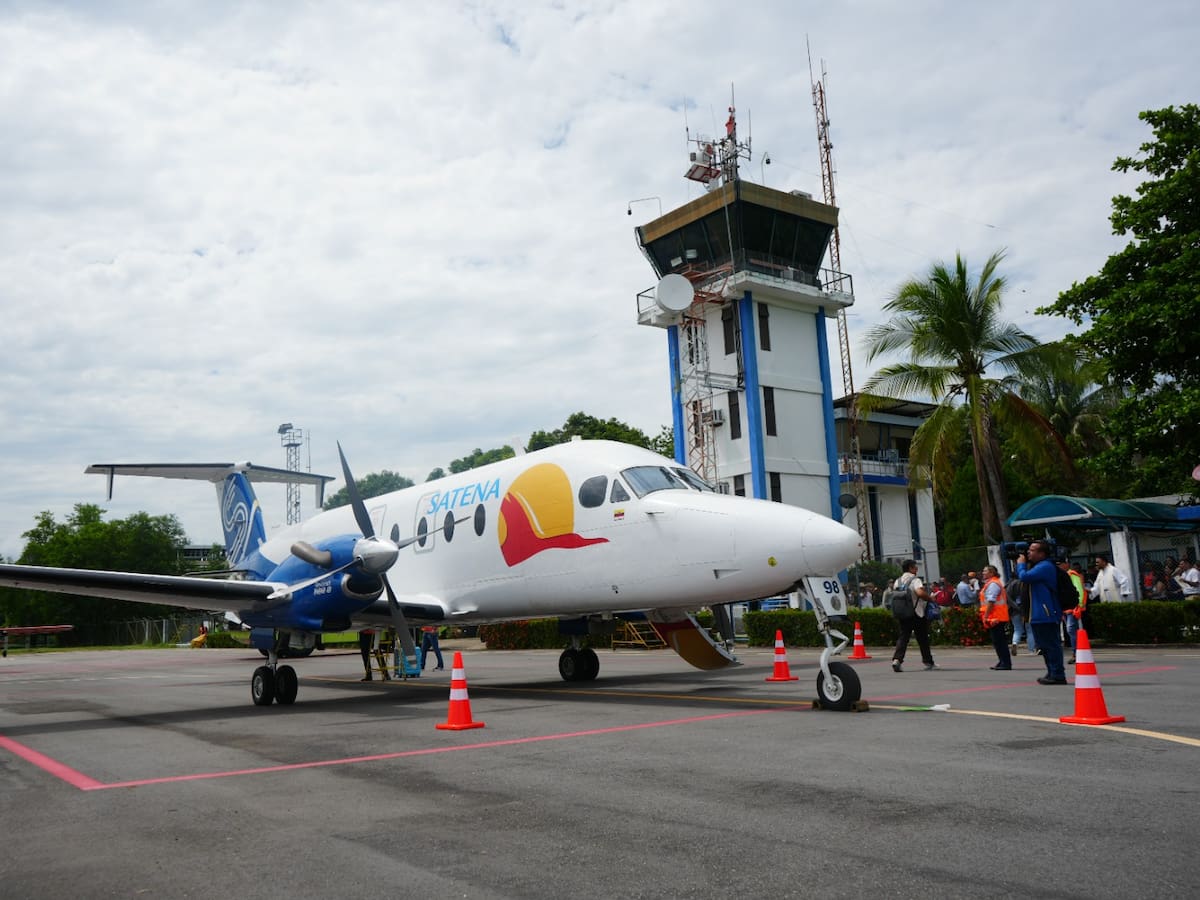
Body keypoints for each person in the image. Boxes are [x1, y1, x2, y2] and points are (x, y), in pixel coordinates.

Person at [1017, 541, 1067, 684]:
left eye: (1032, 550)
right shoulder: (1039, 566)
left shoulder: (1045, 566)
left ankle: (1057, 674)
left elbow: (1024, 577)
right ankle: (1051, 672)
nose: (1028, 553)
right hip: (1038, 614)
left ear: (1042, 554)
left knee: (1051, 645)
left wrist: (1020, 564)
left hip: (1046, 613)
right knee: (1044, 646)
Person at [890, 559, 938, 673]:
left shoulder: (898, 581)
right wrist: (930, 598)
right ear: (910, 568)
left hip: (903, 613)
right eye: (915, 567)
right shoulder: (915, 580)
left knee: (903, 637)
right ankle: (928, 661)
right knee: (922, 638)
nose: (916, 569)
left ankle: (897, 660)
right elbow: (920, 593)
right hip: (917, 613)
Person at [979, 565, 1012, 670]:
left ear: (991, 573)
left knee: (999, 640)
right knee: (997, 641)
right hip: (995, 616)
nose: (983, 573)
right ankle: (1002, 661)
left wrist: (986, 615)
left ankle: (1005, 662)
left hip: (996, 617)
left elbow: (991, 601)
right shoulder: (991, 583)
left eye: (985, 571)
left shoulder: (993, 584)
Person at [1060, 560, 1086, 664]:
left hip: (1072, 608)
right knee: (1071, 631)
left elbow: (1079, 590)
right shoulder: (1063, 576)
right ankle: (1077, 653)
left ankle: (1077, 653)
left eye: (1060, 563)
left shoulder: (1072, 575)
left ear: (1066, 564)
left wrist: (1078, 605)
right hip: (1065, 609)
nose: (1059, 566)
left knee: (1071, 630)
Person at [1006, 572, 1030, 655]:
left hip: (1014, 611)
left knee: (1017, 629)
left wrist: (1015, 607)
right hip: (1026, 609)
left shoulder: (1009, 585)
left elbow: (1008, 599)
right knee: (1029, 629)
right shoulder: (1024, 583)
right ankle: (1032, 648)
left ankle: (1015, 643)